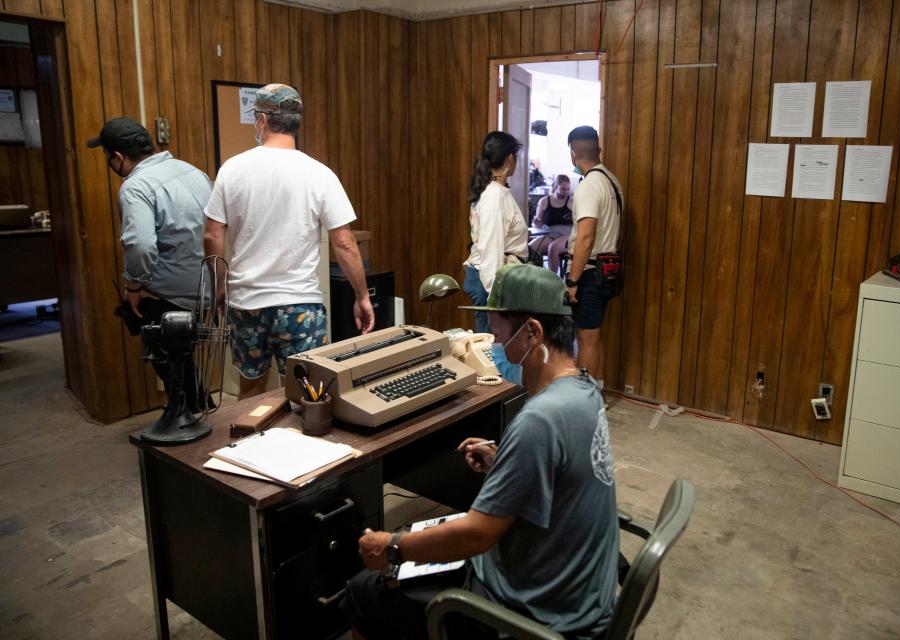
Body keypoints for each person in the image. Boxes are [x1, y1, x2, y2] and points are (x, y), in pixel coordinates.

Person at [342, 263, 619, 640]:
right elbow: (560, 475)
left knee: (363, 590)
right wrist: (507, 461)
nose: (495, 342)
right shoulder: (583, 392)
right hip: (577, 591)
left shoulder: (540, 417)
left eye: (499, 331)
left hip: (540, 612)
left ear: (533, 332)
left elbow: (476, 535)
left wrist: (391, 547)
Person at [203, 83, 374, 400]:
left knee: (250, 393)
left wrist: (219, 288)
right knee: (308, 396)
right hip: (300, 308)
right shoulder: (320, 174)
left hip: (246, 305)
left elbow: (213, 234)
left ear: (262, 121)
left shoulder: (232, 169)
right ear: (297, 122)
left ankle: (251, 445)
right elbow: (345, 243)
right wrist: (361, 295)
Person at [87, 117, 212, 413]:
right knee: (184, 367)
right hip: (205, 286)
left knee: (172, 371)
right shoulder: (194, 172)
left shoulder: (136, 187)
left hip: (165, 295)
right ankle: (197, 418)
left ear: (118, 156)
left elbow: (140, 245)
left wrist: (134, 286)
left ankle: (187, 429)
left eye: (107, 156)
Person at [564, 126, 623, 390]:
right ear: (598, 149)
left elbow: (586, 238)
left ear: (573, 155)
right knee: (595, 335)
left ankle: (583, 399)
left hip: (589, 272)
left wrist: (572, 280)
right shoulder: (612, 180)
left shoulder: (589, 186)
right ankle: (597, 391)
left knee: (586, 338)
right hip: (609, 269)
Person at [462, 131, 529, 336]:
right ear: (510, 158)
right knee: (494, 354)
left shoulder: (496, 191)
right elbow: (492, 250)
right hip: (490, 283)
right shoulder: (493, 196)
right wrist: (497, 299)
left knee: (501, 352)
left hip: (497, 278)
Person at [528, 174, 573, 274]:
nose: (566, 192)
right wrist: (536, 222)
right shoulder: (544, 201)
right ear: (555, 187)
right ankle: (534, 277)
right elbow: (538, 224)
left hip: (567, 235)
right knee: (529, 248)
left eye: (567, 189)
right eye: (562, 189)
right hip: (550, 234)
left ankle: (552, 281)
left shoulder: (571, 202)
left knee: (553, 248)